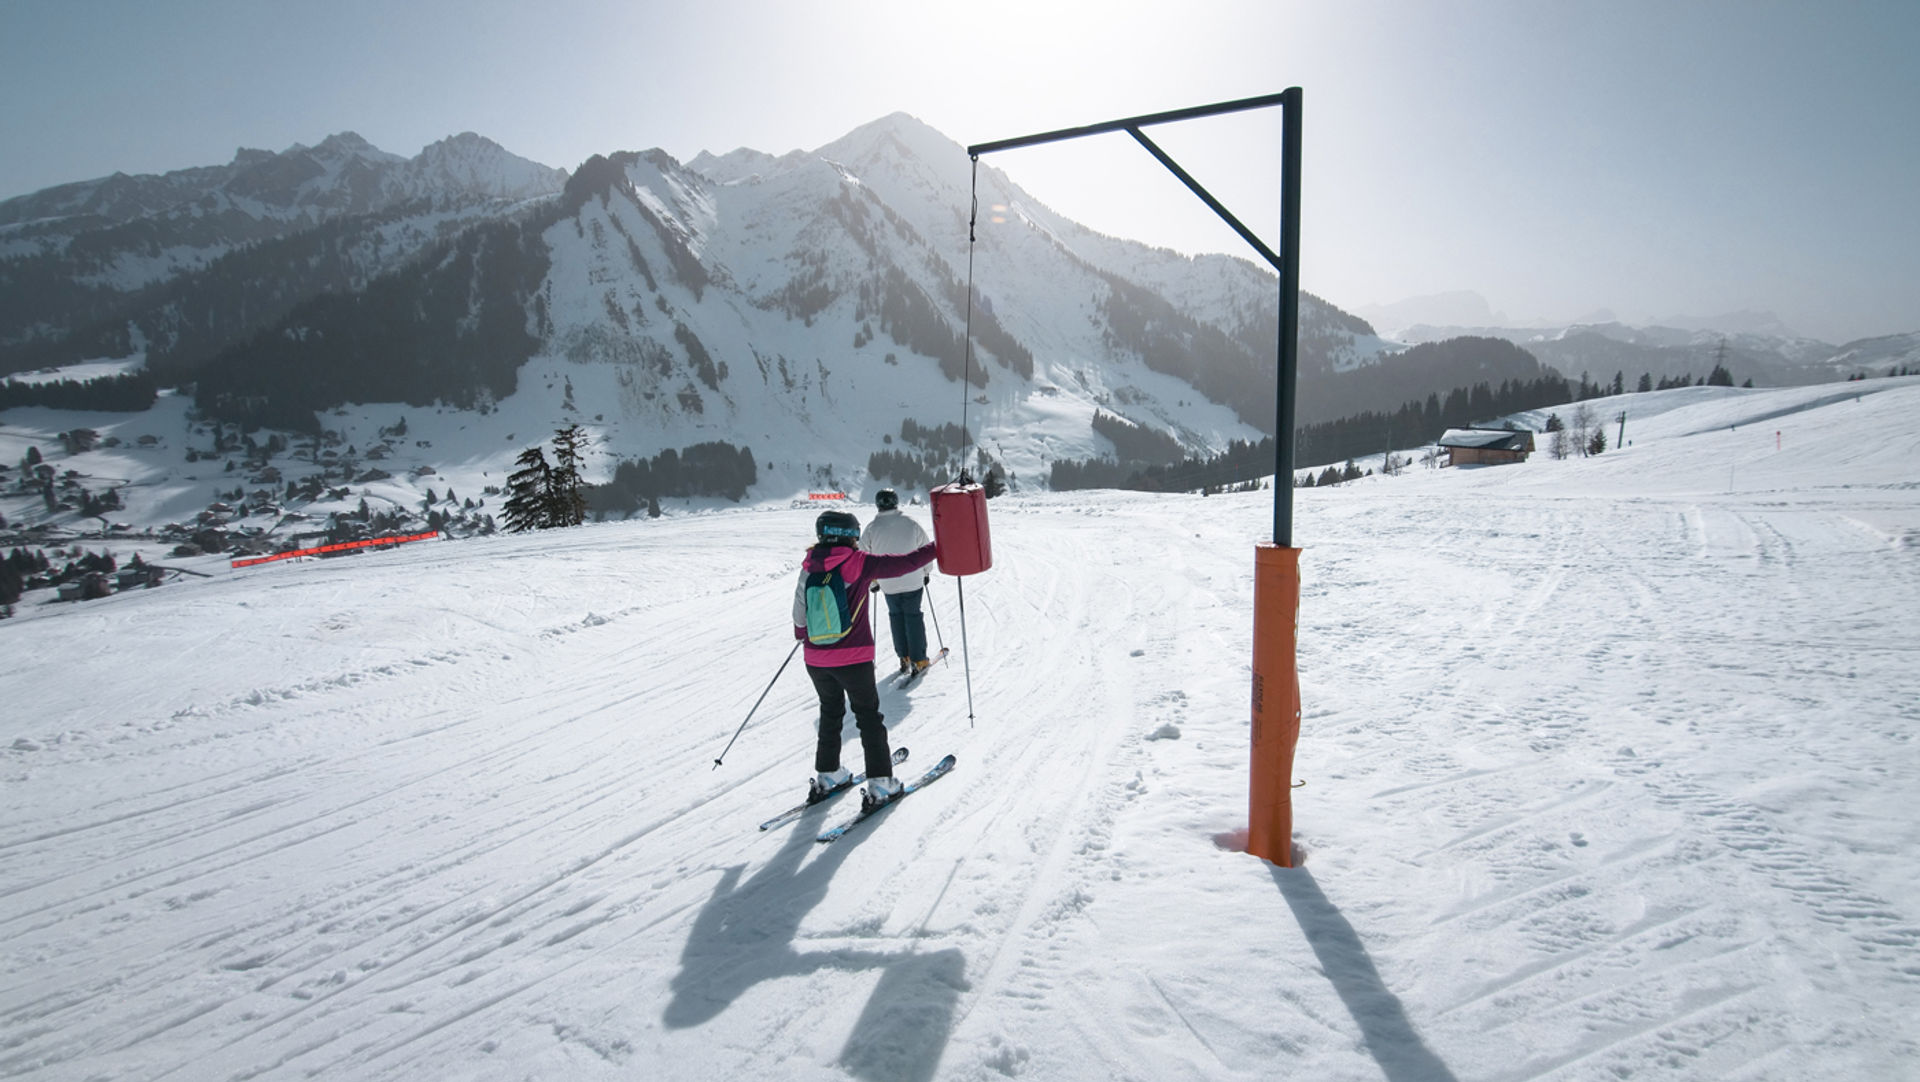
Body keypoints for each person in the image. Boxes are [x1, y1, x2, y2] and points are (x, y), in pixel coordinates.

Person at [793, 508, 937, 810]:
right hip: (853, 658)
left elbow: (799, 617)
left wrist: (807, 636)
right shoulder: (858, 562)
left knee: (830, 712)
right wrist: (940, 547)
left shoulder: (809, 565)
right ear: (851, 535)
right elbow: (905, 563)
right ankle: (881, 783)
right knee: (868, 716)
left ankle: (828, 775)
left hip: (815, 659)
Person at [859, 488, 937, 677]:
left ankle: (904, 657)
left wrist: (872, 582)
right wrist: (926, 572)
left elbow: (863, 557)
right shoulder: (911, 523)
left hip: (888, 582)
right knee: (913, 616)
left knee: (896, 616)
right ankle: (919, 659)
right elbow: (925, 548)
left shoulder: (871, 529)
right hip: (913, 580)